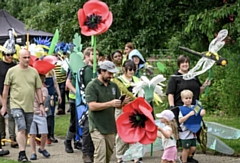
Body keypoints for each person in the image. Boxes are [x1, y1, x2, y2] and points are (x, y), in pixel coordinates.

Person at [1, 49, 44, 162]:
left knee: (25, 130)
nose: (26, 59)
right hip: (15, 104)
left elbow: (38, 89)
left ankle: (22, 152)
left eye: (28, 57)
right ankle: (22, 153)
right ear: (19, 58)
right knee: (21, 127)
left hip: (29, 106)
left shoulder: (34, 72)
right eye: (24, 57)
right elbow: (6, 89)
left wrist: (41, 104)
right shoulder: (12, 71)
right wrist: (4, 106)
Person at [85, 60, 124, 163]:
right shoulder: (92, 86)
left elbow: (118, 106)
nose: (111, 76)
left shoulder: (114, 86)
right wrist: (110, 103)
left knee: (108, 154)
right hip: (96, 125)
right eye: (109, 73)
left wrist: (121, 103)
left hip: (110, 126)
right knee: (100, 154)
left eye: (112, 73)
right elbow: (92, 106)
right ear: (101, 71)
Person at [114, 60, 140, 163]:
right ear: (124, 69)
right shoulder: (118, 81)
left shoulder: (137, 80)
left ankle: (136, 157)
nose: (132, 71)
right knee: (121, 134)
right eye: (130, 69)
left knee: (135, 132)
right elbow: (115, 97)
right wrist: (122, 101)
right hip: (121, 109)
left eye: (134, 69)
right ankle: (119, 157)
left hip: (135, 110)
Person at [178, 90, 206, 163]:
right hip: (184, 133)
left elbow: (202, 111)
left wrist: (203, 111)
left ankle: (185, 157)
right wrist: (189, 115)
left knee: (193, 148)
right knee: (186, 148)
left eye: (190, 98)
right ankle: (184, 161)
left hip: (193, 132)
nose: (188, 100)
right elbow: (180, 120)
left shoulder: (195, 107)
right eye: (186, 98)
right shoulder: (180, 109)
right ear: (182, 99)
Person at [29, 74, 51, 160]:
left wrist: (35, 93)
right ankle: (33, 152)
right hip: (31, 113)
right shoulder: (30, 89)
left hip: (40, 113)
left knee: (44, 133)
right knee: (32, 134)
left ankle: (42, 148)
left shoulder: (44, 89)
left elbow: (41, 101)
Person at [0, 51, 18, 148]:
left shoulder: (15, 65)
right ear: (3, 55)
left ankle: (12, 138)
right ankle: (2, 137)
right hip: (0, 93)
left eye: (12, 54)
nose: (10, 56)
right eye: (8, 55)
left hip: (11, 94)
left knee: (11, 116)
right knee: (1, 117)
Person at [45, 69, 62, 144]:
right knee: (44, 115)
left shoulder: (53, 72)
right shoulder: (39, 73)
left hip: (51, 95)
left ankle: (51, 134)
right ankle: (44, 134)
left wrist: (59, 95)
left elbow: (55, 84)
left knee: (51, 115)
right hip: (43, 96)